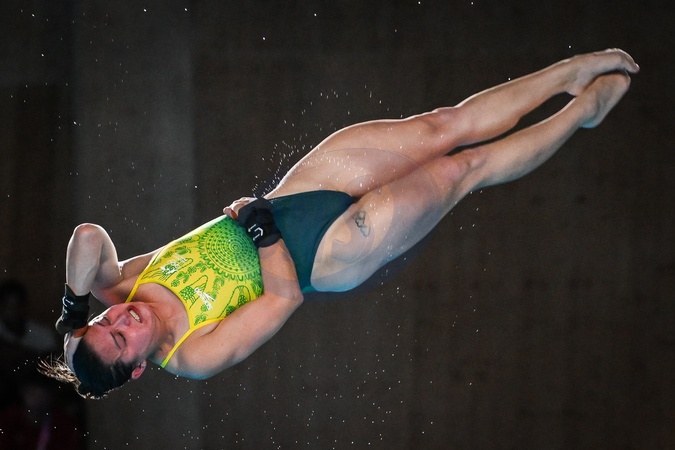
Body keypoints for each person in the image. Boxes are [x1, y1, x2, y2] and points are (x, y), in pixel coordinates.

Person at [42, 49, 639, 399]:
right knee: (463, 169)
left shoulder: (121, 289)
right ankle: (581, 113)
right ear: (137, 368)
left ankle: (568, 73)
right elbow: (283, 299)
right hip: (325, 254)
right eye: (119, 338)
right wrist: (261, 232)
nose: (122, 319)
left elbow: (87, 238)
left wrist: (73, 305)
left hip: (294, 195)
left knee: (440, 126)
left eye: (104, 320)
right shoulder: (192, 355)